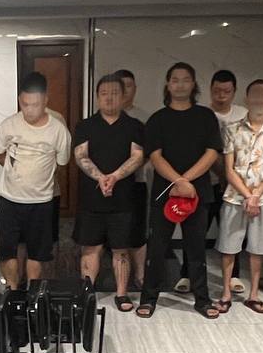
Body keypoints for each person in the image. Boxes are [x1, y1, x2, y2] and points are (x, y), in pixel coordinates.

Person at [137, 62, 223, 320]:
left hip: (197, 192)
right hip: (165, 192)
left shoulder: (206, 116)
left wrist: (186, 181)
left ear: (193, 84)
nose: (180, 84)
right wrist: (178, 181)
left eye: (186, 79)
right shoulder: (157, 119)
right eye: (175, 80)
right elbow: (155, 156)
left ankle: (202, 300)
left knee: (196, 249)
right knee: (157, 248)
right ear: (168, 84)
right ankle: (149, 298)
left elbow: (212, 152)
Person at [0, 73, 72, 288]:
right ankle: (12, 290)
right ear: (20, 100)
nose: (29, 110)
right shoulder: (9, 125)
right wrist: (16, 172)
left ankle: (33, 292)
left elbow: (61, 164)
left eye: (35, 105)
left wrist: (39, 176)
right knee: (7, 251)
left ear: (45, 101)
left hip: (41, 202)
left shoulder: (58, 130)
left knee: (37, 253)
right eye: (25, 104)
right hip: (10, 199)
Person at [73, 73, 145, 310]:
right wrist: (100, 177)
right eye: (104, 93)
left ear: (124, 96)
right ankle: (87, 291)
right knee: (90, 246)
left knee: (121, 248)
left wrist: (114, 177)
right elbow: (80, 155)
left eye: (115, 93)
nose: (109, 98)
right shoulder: (85, 126)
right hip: (91, 197)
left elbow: (137, 156)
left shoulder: (134, 126)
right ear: (97, 97)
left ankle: (122, 294)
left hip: (123, 196)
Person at [176, 69, 247, 294]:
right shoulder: (201, 114)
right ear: (210, 90)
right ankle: (187, 274)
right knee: (195, 232)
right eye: (217, 91)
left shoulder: (243, 115)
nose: (221, 95)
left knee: (233, 231)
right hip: (206, 183)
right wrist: (223, 174)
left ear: (234, 91)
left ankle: (234, 276)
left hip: (236, 186)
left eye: (226, 91)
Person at [216, 79, 263, 315]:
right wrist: (247, 195)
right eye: (255, 95)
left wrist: (256, 195)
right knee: (228, 247)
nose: (260, 99)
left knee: (258, 249)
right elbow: (229, 169)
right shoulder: (232, 129)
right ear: (246, 99)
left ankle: (253, 295)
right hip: (235, 196)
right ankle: (225, 293)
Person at [117, 68, 151, 290]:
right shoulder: (104, 116)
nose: (124, 90)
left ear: (135, 89)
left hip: (137, 181)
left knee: (137, 230)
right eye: (120, 86)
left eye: (128, 86)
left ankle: (140, 274)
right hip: (110, 185)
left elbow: (149, 152)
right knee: (116, 233)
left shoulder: (143, 118)